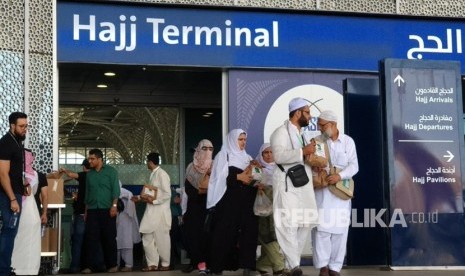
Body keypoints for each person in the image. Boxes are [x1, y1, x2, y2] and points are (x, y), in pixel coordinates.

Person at [269, 98, 318, 276]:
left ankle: (291, 265)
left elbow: (303, 157)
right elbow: (279, 156)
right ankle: (295, 264)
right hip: (286, 184)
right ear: (297, 113)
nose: (310, 116)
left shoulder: (302, 133)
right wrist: (302, 152)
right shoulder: (280, 132)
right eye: (307, 112)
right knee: (287, 223)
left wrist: (311, 155)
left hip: (302, 184)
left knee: (305, 221)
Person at [311, 110, 358, 276]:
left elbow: (354, 166)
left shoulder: (347, 142)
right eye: (319, 125)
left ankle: (334, 267)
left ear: (333, 125)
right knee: (321, 231)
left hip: (341, 193)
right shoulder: (317, 142)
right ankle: (323, 266)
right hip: (322, 193)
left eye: (322, 125)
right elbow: (310, 163)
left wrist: (339, 175)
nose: (319, 128)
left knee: (340, 231)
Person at [207, 129, 258, 276]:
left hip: (247, 202)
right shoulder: (223, 156)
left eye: (244, 140)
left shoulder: (247, 158)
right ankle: (217, 267)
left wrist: (256, 179)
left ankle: (247, 266)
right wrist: (237, 177)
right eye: (240, 139)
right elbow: (216, 180)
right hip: (228, 202)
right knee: (224, 233)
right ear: (232, 140)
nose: (243, 142)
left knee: (249, 233)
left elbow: (251, 179)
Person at [81, 149, 120, 274]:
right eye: (89, 158)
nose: (89, 161)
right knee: (91, 238)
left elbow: (115, 191)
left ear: (99, 159)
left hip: (107, 209)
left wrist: (114, 206)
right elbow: (87, 194)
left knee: (109, 238)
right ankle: (89, 266)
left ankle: (112, 265)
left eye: (92, 159)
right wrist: (86, 212)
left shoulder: (111, 172)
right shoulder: (89, 174)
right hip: (92, 210)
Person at [133, 152, 172, 272]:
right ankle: (153, 264)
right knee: (147, 236)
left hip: (160, 212)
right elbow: (151, 193)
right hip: (151, 212)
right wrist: (139, 198)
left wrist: (154, 201)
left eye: (147, 162)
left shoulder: (162, 174)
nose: (146, 164)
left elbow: (167, 194)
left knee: (162, 238)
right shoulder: (153, 175)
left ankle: (165, 264)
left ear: (150, 162)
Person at [0, 111, 28, 276]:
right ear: (12, 125)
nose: (25, 129)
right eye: (21, 126)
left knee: (10, 231)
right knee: (9, 231)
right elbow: (2, 174)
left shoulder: (16, 142)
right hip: (7, 195)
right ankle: (3, 270)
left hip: (15, 192)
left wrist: (23, 183)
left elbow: (13, 172)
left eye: (26, 126)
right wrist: (12, 198)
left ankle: (4, 268)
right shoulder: (6, 143)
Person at [183, 139, 214, 275]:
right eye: (204, 148)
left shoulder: (214, 166)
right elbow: (189, 189)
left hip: (209, 208)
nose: (207, 152)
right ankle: (194, 262)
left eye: (210, 149)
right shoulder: (191, 167)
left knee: (206, 237)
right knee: (192, 236)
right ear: (198, 150)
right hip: (194, 207)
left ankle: (206, 264)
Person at [254, 143, 285, 276]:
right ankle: (280, 267)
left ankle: (260, 265)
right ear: (261, 155)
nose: (269, 155)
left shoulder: (281, 168)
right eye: (265, 153)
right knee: (268, 235)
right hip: (265, 207)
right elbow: (251, 183)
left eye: (271, 152)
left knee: (279, 235)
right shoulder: (257, 168)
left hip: (280, 205)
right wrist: (258, 185)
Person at [11, 149, 41, 275]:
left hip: (29, 207)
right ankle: (15, 266)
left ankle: (30, 268)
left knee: (30, 237)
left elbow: (32, 191)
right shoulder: (16, 172)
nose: (29, 158)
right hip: (19, 205)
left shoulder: (34, 173)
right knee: (17, 237)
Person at [61, 159, 92, 273]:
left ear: (85, 167)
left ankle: (74, 266)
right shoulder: (96, 177)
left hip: (81, 213)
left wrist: (64, 170)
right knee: (89, 241)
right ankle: (88, 266)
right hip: (91, 213)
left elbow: (71, 174)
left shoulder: (84, 175)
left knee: (77, 240)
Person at [116, 183, 141, 272]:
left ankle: (128, 265)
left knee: (127, 243)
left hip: (126, 219)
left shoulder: (126, 192)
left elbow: (130, 200)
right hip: (114, 220)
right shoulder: (107, 191)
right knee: (114, 243)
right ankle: (115, 265)